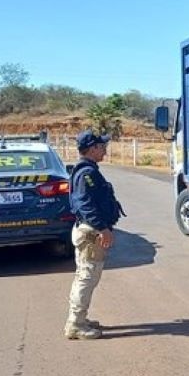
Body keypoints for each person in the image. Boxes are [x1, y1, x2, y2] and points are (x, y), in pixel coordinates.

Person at [64, 130, 125, 340]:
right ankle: (76, 324)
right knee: (87, 277)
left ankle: (79, 319)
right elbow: (85, 204)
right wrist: (103, 228)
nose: (105, 150)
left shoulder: (88, 170)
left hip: (90, 230)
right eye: (102, 146)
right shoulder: (86, 174)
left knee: (86, 276)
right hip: (90, 232)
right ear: (92, 149)